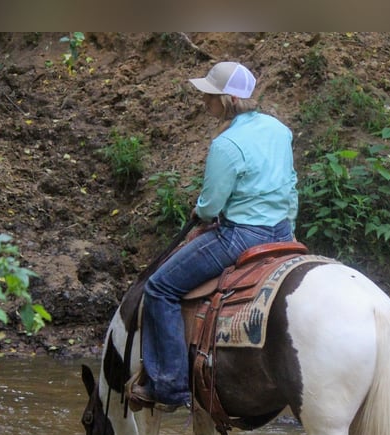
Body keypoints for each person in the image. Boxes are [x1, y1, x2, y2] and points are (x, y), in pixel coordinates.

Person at [128, 61, 299, 411]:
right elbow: (290, 184)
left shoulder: (227, 143)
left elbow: (211, 206)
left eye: (209, 97)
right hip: (282, 230)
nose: (205, 103)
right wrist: (288, 224)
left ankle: (171, 387)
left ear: (227, 100)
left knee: (160, 288)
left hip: (241, 235)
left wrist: (201, 211)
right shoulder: (279, 130)